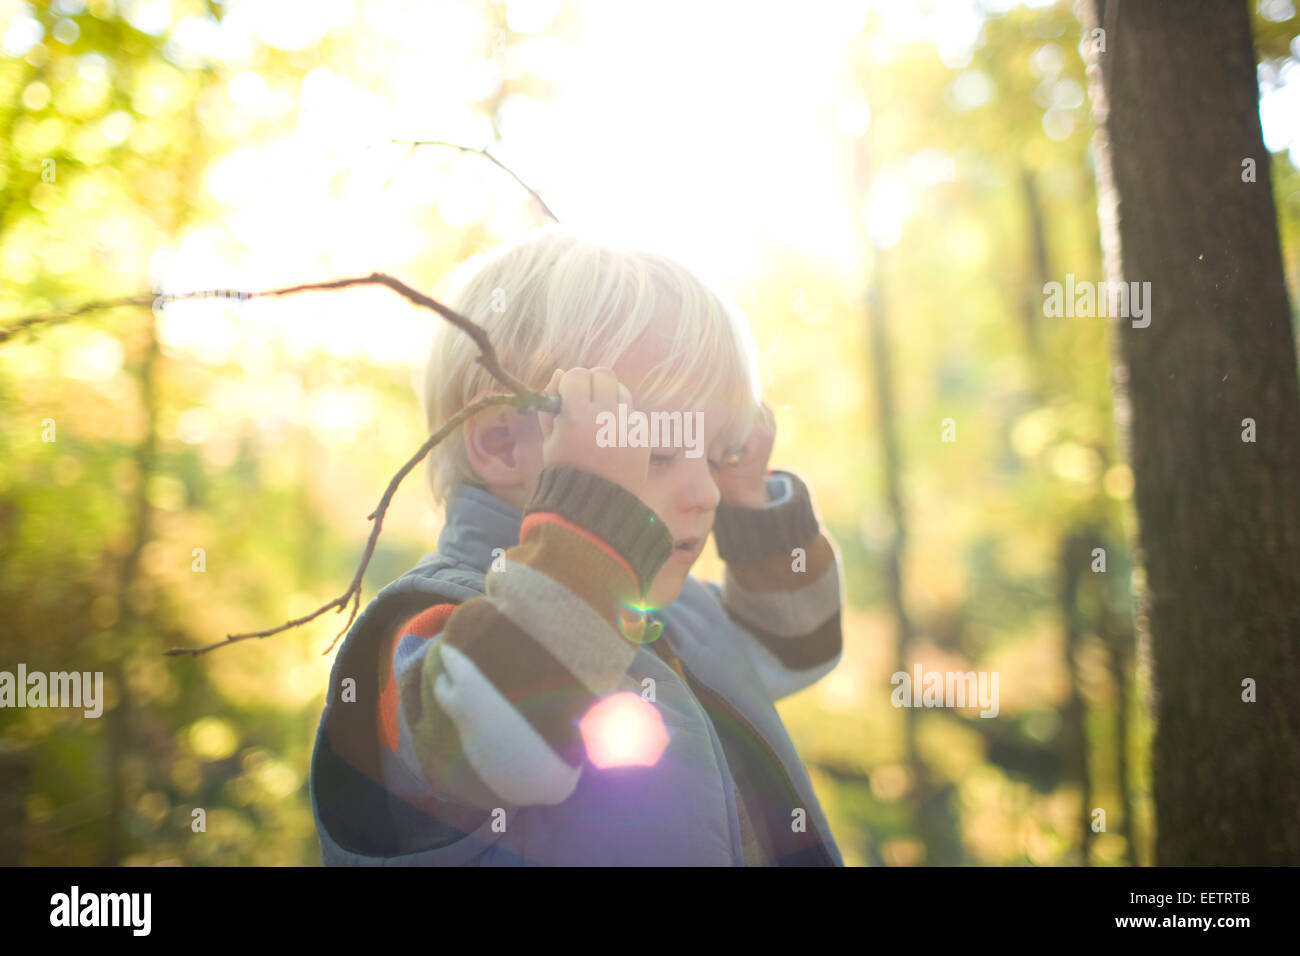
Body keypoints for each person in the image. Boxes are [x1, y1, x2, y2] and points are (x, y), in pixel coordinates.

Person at [309, 227, 846, 865]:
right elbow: (508, 745)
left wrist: (751, 497)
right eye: (658, 451)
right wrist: (592, 527)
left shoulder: (669, 615)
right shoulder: (429, 627)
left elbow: (798, 651)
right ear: (505, 443)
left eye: (714, 453)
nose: (705, 492)